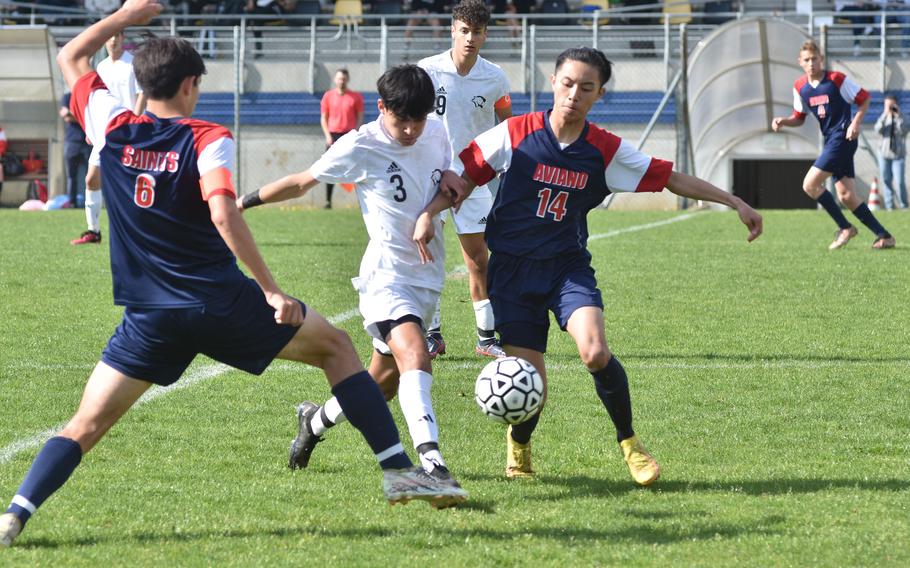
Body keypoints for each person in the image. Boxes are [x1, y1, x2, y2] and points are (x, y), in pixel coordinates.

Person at [0, 1, 465, 549]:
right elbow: (222, 210)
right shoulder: (206, 136)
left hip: (149, 317)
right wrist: (272, 290)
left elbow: (71, 55)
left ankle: (13, 517)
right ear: (192, 85)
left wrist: (127, 14)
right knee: (338, 348)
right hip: (221, 302)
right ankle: (400, 474)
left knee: (84, 425)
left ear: (140, 83)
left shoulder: (112, 125)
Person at [413, 47, 763, 485]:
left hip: (566, 269)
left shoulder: (604, 149)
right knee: (530, 383)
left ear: (599, 95)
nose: (574, 94)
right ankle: (519, 445)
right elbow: (459, 176)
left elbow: (669, 177)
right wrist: (429, 212)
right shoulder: (514, 134)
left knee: (595, 352)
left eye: (586, 87)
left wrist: (734, 201)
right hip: (513, 275)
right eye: (567, 83)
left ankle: (631, 444)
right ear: (553, 83)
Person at [237, 64, 469, 493]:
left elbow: (452, 182)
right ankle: (432, 465)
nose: (412, 130)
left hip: (427, 277)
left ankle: (315, 421)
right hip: (386, 279)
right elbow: (302, 181)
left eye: (419, 119)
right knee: (415, 354)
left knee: (378, 385)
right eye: (403, 121)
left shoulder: (436, 131)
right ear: (381, 108)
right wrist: (242, 203)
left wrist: (432, 208)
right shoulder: (360, 145)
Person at [418, 0, 512, 359]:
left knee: (478, 259)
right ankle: (432, 335)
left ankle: (486, 339)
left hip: (474, 179)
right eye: (464, 30)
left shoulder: (495, 77)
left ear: (486, 34)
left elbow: (505, 124)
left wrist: (502, 166)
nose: (470, 38)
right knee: (427, 257)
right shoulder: (427, 71)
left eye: (477, 31)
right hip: (432, 179)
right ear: (453, 30)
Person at [772, 39, 895, 250]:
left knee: (809, 184)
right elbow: (799, 117)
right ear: (800, 62)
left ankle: (845, 228)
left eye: (815, 59)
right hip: (832, 140)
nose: (812, 63)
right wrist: (785, 121)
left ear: (821, 59)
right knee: (846, 196)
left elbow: (864, 99)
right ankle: (884, 236)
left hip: (843, 138)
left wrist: (855, 123)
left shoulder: (836, 79)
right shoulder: (800, 87)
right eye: (807, 60)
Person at [72, 30, 148, 245]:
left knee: (129, 182)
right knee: (91, 179)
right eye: (110, 37)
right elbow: (94, 99)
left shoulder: (132, 64)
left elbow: (143, 93)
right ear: (105, 41)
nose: (113, 41)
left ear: (123, 39)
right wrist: (90, 129)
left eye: (117, 36)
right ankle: (93, 231)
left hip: (127, 130)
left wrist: (135, 120)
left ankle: (139, 231)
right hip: (105, 132)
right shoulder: (102, 67)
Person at [319, 68, 364, 209]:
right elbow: (324, 118)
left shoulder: (356, 97)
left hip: (348, 135)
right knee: (330, 168)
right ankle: (328, 201)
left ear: (347, 79)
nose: (341, 81)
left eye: (344, 79)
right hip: (333, 136)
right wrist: (327, 136)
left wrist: (355, 134)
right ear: (335, 80)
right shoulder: (328, 96)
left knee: (354, 169)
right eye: (339, 78)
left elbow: (360, 117)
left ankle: (360, 201)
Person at [60, 92, 93, 208]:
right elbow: (65, 116)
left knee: (90, 175)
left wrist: (72, 114)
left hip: (87, 142)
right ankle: (72, 202)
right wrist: (82, 116)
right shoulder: (67, 97)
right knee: (71, 175)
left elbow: (92, 115)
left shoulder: (88, 95)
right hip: (71, 142)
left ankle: (90, 202)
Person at [875, 94, 908, 210]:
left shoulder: (902, 117)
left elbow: (904, 130)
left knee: (899, 181)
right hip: (884, 154)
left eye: (891, 104)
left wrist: (898, 115)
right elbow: (877, 129)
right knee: (886, 180)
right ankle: (890, 207)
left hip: (898, 155)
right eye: (887, 105)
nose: (889, 107)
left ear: (896, 104)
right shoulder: (883, 117)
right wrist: (885, 114)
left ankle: (904, 206)